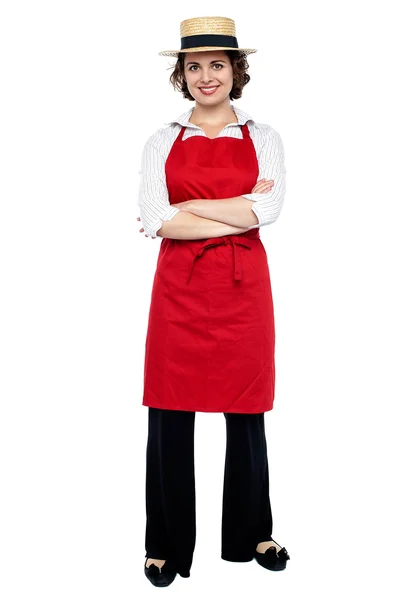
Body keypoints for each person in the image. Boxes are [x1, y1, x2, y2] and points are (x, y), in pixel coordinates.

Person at [137, 16, 290, 587]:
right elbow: (157, 218)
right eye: (195, 66)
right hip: (178, 291)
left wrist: (189, 214)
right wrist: (237, 207)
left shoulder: (265, 136)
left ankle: (253, 532)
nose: (207, 76)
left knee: (247, 414)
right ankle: (164, 545)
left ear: (236, 71)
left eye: (217, 65)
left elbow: (269, 212)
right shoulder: (161, 140)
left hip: (243, 289)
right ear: (181, 74)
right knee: (169, 417)